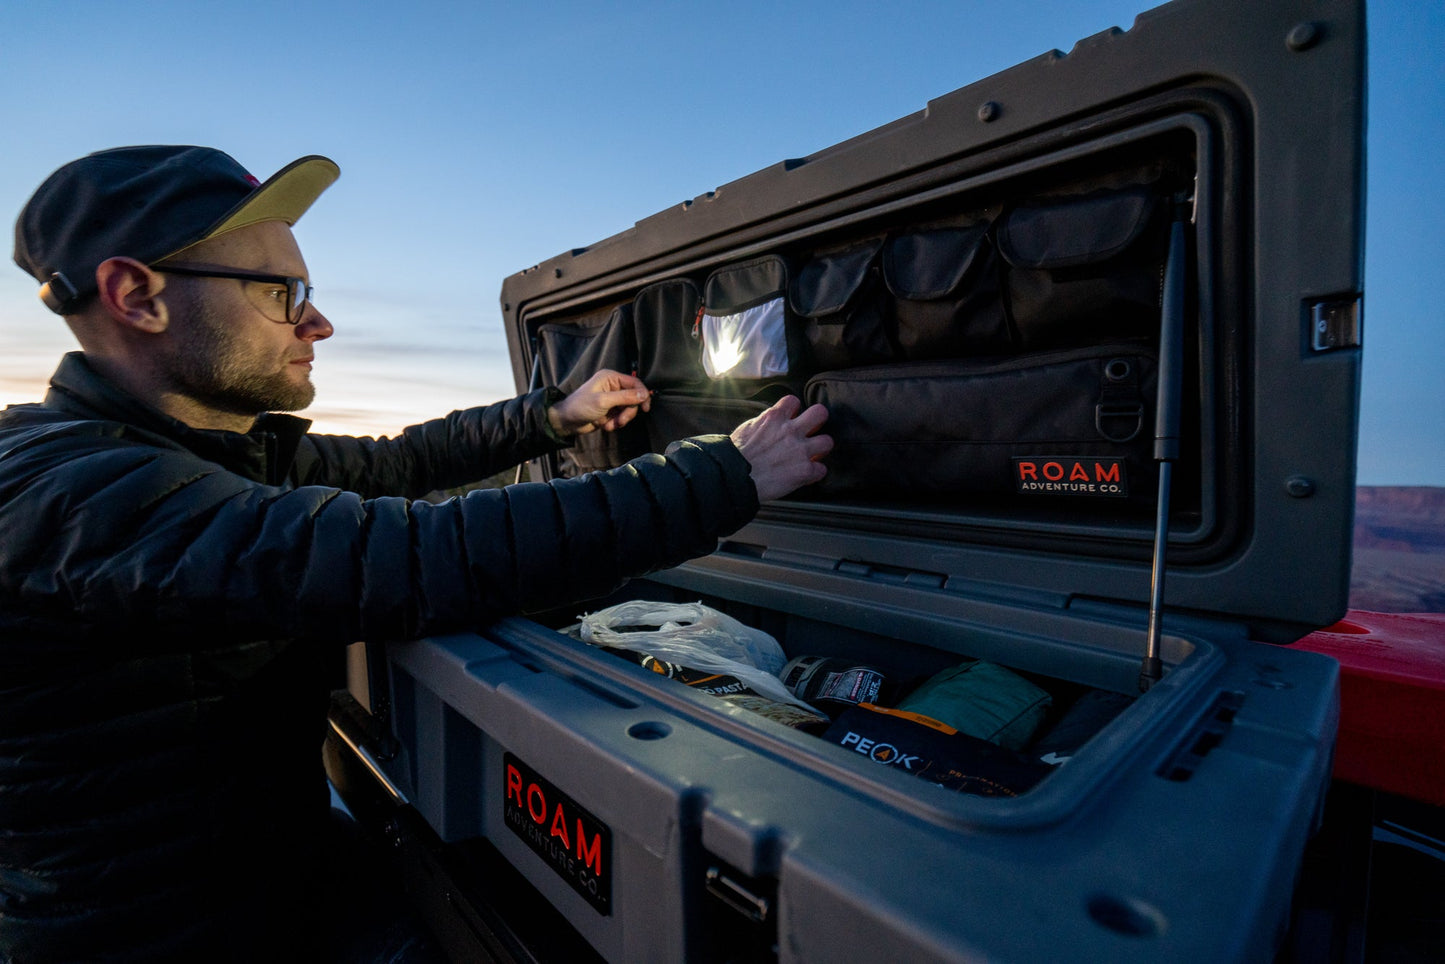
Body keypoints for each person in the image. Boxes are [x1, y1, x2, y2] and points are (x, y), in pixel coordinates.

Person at [0, 146, 832, 963]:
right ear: (135, 296)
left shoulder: (210, 453)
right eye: (280, 293)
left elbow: (398, 462)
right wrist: (726, 475)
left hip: (275, 872)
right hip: (153, 932)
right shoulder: (70, 490)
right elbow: (402, 558)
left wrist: (552, 413)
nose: (317, 322)